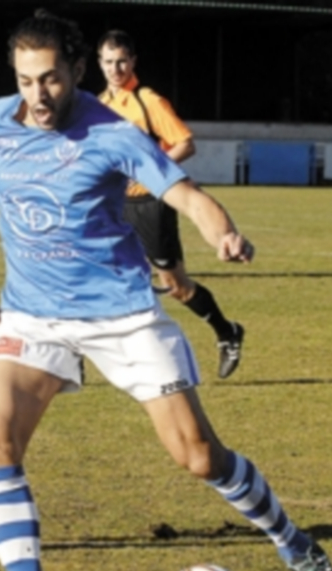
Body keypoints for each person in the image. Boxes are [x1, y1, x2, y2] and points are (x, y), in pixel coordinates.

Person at [0, 10, 332, 571]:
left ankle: (296, 546)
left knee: (198, 457)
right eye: (25, 80)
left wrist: (222, 230)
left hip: (121, 314)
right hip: (33, 316)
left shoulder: (114, 134)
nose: (37, 95)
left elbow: (182, 192)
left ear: (76, 71)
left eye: (50, 79)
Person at [97, 30, 244, 379]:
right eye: (108, 62)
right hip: (114, 206)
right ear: (99, 64)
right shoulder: (99, 105)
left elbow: (185, 143)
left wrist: (149, 173)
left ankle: (227, 332)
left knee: (176, 285)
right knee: (103, 274)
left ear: (133, 62)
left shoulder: (148, 101)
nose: (115, 68)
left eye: (121, 61)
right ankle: (81, 356)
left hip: (150, 204)